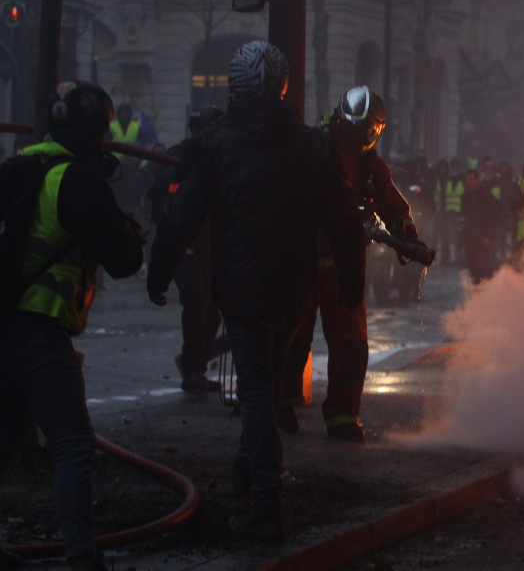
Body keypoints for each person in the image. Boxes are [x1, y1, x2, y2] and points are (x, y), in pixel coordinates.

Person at [146, 41, 364, 540]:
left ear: (235, 87)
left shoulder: (216, 146)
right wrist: (351, 284)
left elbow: (180, 219)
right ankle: (246, 484)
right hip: (295, 290)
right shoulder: (312, 145)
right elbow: (345, 223)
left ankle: (264, 507)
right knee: (263, 386)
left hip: (242, 288)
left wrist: (158, 275)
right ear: (283, 85)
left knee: (258, 393)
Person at [0, 81, 144, 571]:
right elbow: (123, 260)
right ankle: (82, 559)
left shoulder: (24, 163)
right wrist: (125, 227)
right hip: (37, 328)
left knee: (7, 433)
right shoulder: (77, 180)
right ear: (96, 133)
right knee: (74, 443)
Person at [278, 86, 425, 442]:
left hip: (345, 263)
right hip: (302, 254)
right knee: (292, 334)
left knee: (352, 341)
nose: (357, 136)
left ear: (376, 130)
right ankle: (278, 401)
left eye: (366, 131)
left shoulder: (373, 166)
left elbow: (392, 204)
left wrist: (408, 236)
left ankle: (343, 414)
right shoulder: (311, 150)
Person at [151, 107, 226, 394]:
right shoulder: (178, 157)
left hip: (210, 245)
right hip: (187, 246)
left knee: (213, 313)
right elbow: (168, 204)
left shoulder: (218, 157)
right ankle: (193, 372)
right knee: (197, 308)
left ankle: (195, 365)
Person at [459, 168, 502, 285]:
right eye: (467, 180)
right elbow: (463, 218)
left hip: (482, 239)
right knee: (473, 268)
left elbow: (494, 217)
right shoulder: (465, 197)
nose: (469, 183)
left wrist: (488, 235)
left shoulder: (486, 196)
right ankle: (477, 293)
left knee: (483, 268)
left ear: (478, 180)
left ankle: (486, 293)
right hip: (470, 239)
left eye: (472, 180)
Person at [106, 102, 144, 214]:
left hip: (131, 167)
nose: (124, 114)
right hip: (114, 166)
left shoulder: (136, 127)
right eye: (122, 112)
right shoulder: (111, 127)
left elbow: (140, 146)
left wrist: (133, 160)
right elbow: (107, 145)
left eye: (126, 112)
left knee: (130, 190)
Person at [433, 157, 464, 265]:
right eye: (453, 165)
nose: (455, 167)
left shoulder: (461, 179)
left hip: (457, 212)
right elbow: (441, 195)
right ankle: (448, 258)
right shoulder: (446, 179)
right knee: (446, 235)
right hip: (446, 212)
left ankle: (458, 258)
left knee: (456, 236)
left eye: (456, 165)